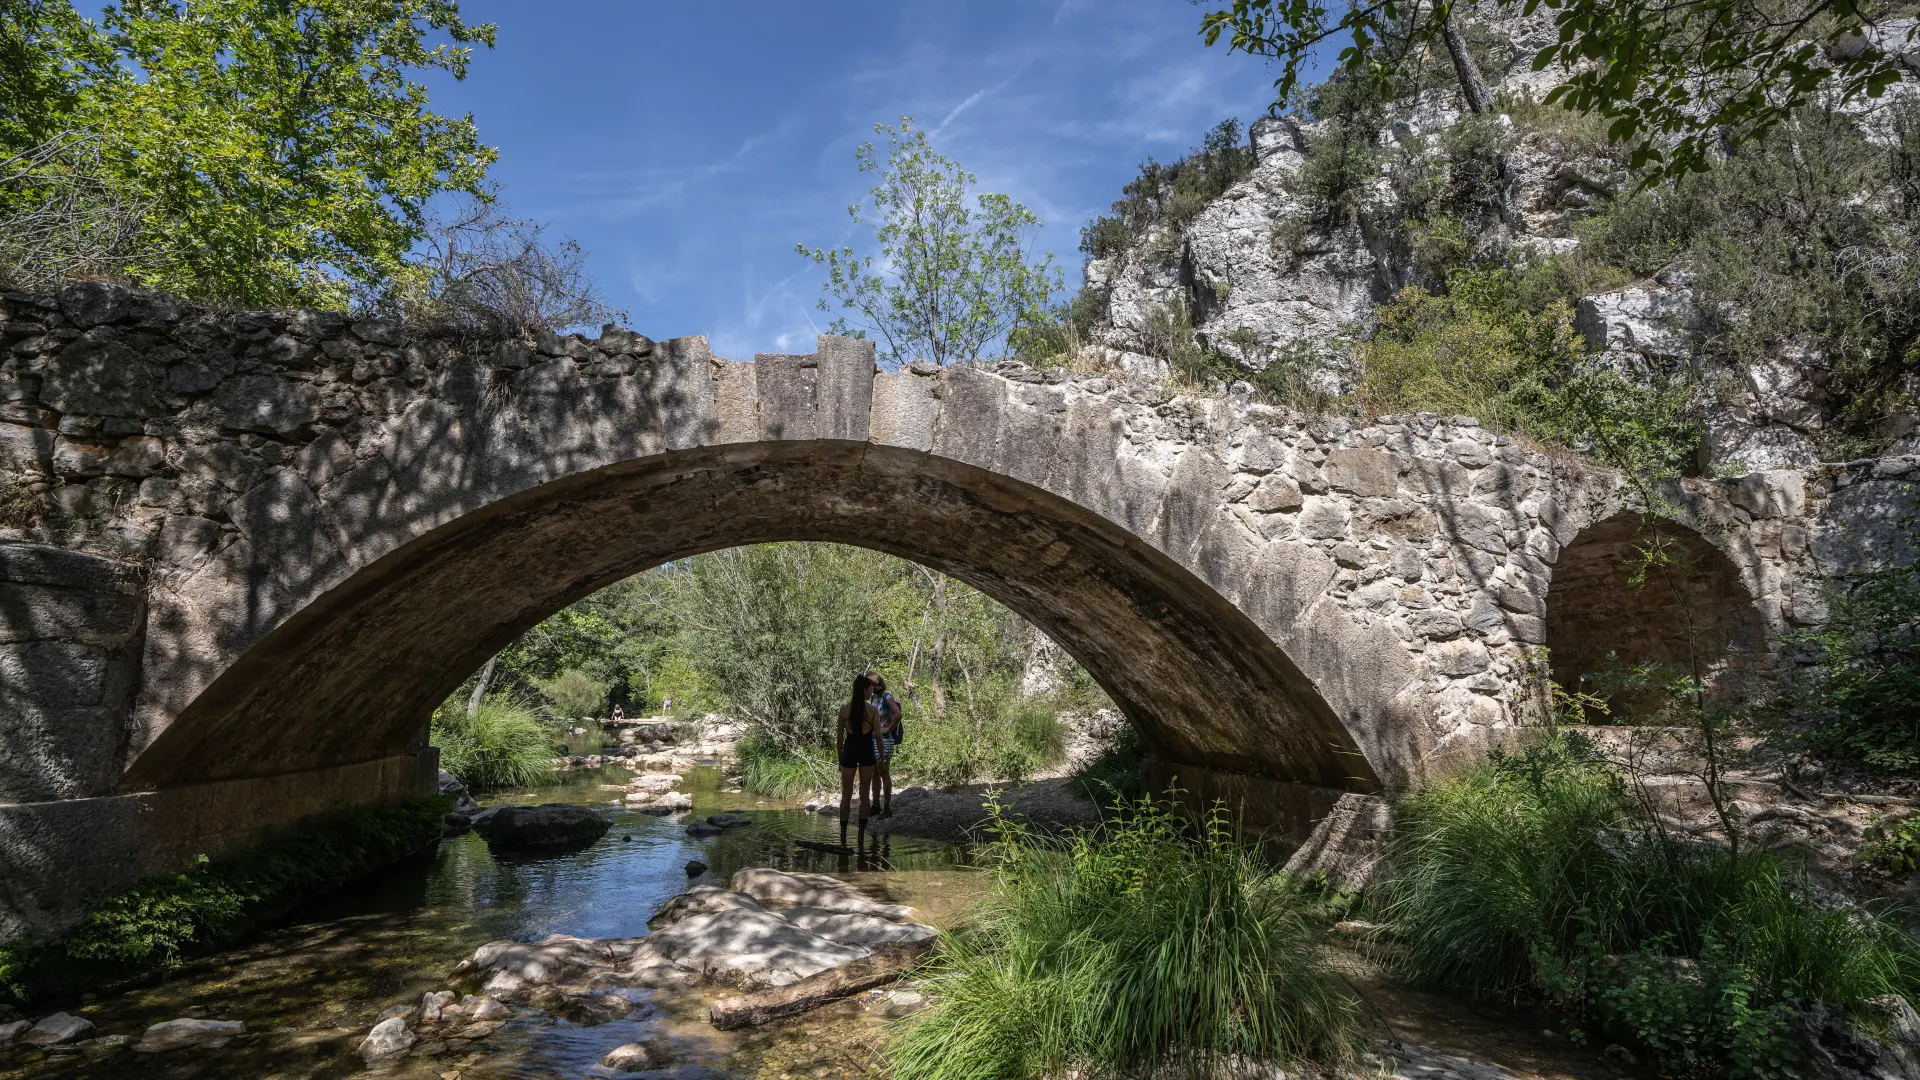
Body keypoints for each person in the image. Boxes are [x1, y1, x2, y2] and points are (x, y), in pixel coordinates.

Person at [836, 672, 882, 837]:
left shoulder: (844, 710)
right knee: (864, 795)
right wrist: (881, 757)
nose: (872, 692)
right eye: (870, 689)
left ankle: (843, 835)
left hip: (849, 752)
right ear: (864, 691)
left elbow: (840, 739)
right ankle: (861, 837)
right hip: (866, 753)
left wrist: (839, 759)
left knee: (845, 795)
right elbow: (877, 736)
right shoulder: (872, 711)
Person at [866, 671, 902, 818]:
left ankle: (887, 808)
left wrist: (888, 728)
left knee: (883, 772)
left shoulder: (887, 697)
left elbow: (898, 714)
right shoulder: (873, 698)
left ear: (876, 684)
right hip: (873, 739)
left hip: (885, 740)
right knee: (874, 772)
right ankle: (875, 805)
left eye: (869, 684)